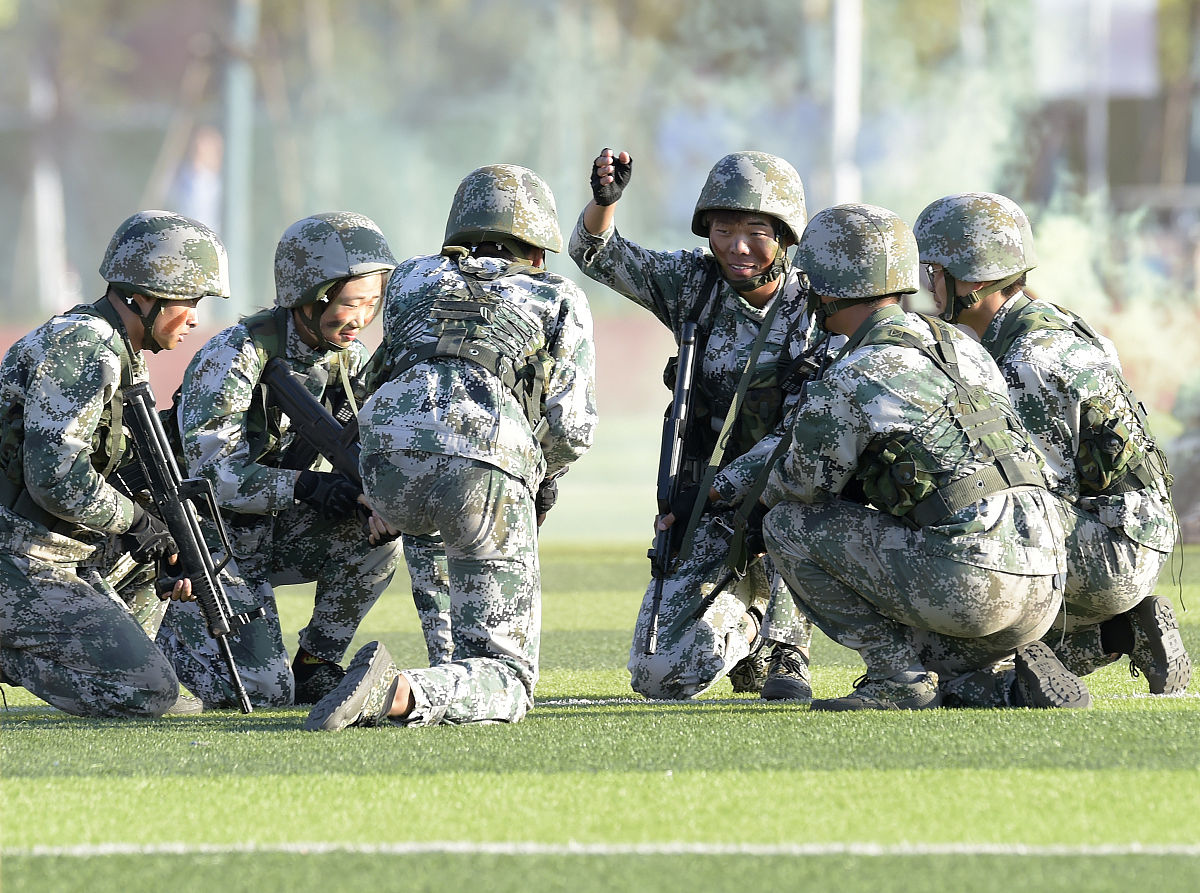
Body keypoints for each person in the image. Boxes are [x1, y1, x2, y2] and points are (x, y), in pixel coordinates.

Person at [761, 203, 1089, 710]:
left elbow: (798, 487)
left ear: (825, 289)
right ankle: (999, 685)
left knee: (786, 524)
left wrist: (729, 491)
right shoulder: (963, 345)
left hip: (973, 585)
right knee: (947, 664)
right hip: (1045, 587)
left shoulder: (854, 373)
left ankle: (896, 679)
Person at [305, 163, 596, 730]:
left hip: (388, 458)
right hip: (484, 463)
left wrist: (383, 487)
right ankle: (400, 690)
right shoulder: (556, 294)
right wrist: (535, 479)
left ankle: (445, 670)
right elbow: (572, 428)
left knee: (434, 517)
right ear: (538, 247)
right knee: (508, 678)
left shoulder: (413, 276)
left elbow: (379, 377)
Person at [156, 211, 446, 709]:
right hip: (203, 545)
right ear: (312, 297)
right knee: (264, 695)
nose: (361, 319)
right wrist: (308, 487)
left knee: (376, 540)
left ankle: (315, 663)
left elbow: (364, 446)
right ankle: (165, 630)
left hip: (265, 532)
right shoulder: (234, 354)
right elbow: (211, 477)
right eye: (352, 303)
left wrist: (370, 498)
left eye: (373, 304)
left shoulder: (341, 359)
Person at [567, 148, 821, 701]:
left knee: (796, 516)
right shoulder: (694, 284)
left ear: (786, 235)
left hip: (796, 495)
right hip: (711, 501)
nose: (737, 247)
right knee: (658, 674)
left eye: (756, 231)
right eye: (723, 229)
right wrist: (604, 203)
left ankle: (787, 647)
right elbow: (594, 254)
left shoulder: (820, 304)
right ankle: (749, 630)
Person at [914, 192, 1189, 694]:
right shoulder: (1061, 325)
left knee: (936, 658)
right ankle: (1121, 628)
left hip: (1106, 548)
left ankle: (1023, 662)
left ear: (972, 279)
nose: (927, 285)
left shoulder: (1026, 362)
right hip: (1127, 536)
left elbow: (1033, 503)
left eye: (935, 271)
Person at [0, 210, 226, 717]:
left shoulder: (122, 349)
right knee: (152, 695)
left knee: (158, 556)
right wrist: (139, 523)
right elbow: (56, 478)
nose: (194, 316)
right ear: (143, 296)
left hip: (51, 549)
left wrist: (164, 538)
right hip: (17, 553)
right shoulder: (84, 346)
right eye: (188, 300)